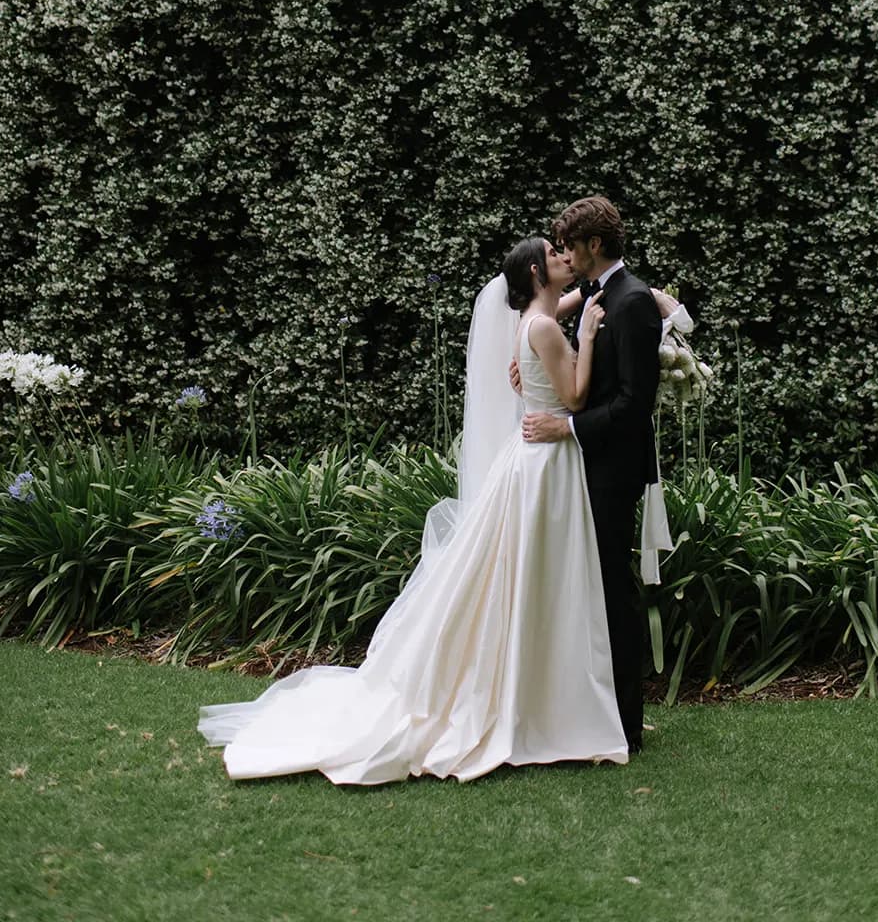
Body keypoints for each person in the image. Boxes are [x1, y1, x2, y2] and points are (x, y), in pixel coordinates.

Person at [197, 234, 630, 783]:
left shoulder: (535, 316)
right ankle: (537, 701)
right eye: (554, 256)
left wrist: (585, 310)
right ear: (536, 277)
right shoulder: (543, 326)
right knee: (533, 574)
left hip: (535, 459)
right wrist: (587, 340)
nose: (566, 259)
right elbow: (571, 397)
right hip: (544, 461)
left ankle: (536, 692)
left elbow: (553, 315)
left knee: (522, 574)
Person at [521, 196, 665, 755]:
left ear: (594, 246)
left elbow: (634, 403)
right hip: (589, 466)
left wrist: (568, 429)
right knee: (592, 592)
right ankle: (596, 709)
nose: (565, 255)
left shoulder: (632, 304)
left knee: (611, 593)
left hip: (612, 470)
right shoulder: (602, 296)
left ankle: (625, 724)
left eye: (570, 246)